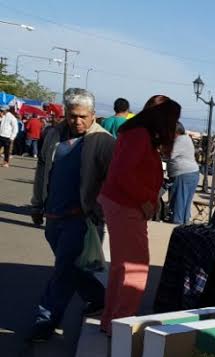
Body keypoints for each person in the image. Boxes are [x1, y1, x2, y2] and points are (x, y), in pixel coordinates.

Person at [27, 88, 116, 342]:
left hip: (82, 219)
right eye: (72, 115)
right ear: (66, 113)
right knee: (74, 268)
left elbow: (114, 180)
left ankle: (45, 321)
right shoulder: (53, 134)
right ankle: (99, 298)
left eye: (83, 116)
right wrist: (37, 205)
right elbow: (43, 171)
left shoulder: (104, 141)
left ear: (93, 115)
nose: (77, 121)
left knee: (63, 270)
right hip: (54, 215)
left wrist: (101, 211)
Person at [98, 95, 181, 332]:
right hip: (127, 205)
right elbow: (123, 174)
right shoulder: (139, 135)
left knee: (122, 266)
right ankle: (123, 323)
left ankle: (112, 320)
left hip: (123, 204)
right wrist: (145, 199)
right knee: (135, 267)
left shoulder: (136, 133)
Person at [168, 122, 200, 225]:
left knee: (180, 199)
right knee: (185, 200)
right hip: (191, 172)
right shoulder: (186, 138)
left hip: (184, 173)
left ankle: (178, 222)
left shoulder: (180, 140)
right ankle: (184, 221)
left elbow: (171, 154)